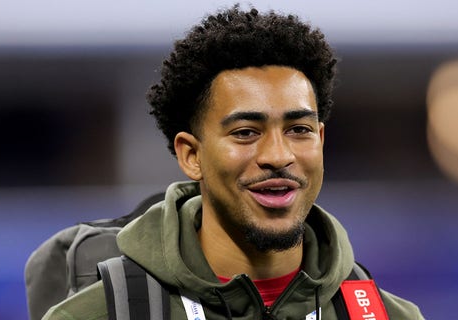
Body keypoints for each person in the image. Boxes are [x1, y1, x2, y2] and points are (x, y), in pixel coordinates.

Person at [43, 5, 424, 320]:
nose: (278, 156)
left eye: (298, 129)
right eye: (245, 132)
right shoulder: (94, 315)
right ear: (191, 155)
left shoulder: (392, 316)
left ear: (320, 140)